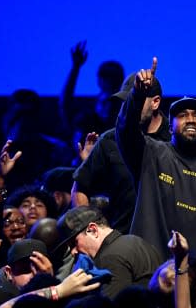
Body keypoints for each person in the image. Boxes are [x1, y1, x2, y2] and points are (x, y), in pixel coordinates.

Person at [115, 57, 196, 308]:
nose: (191, 120)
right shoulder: (152, 153)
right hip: (150, 277)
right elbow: (126, 131)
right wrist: (138, 96)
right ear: (170, 125)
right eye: (182, 116)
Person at [72, 71, 170, 234]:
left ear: (155, 102)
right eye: (125, 103)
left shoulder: (175, 141)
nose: (128, 107)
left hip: (168, 243)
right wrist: (90, 233)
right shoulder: (109, 140)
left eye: (135, 101)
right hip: (120, 240)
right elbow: (79, 188)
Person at [55, 205, 162, 299]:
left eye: (74, 243)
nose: (73, 252)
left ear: (93, 230)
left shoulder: (109, 258)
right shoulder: (136, 240)